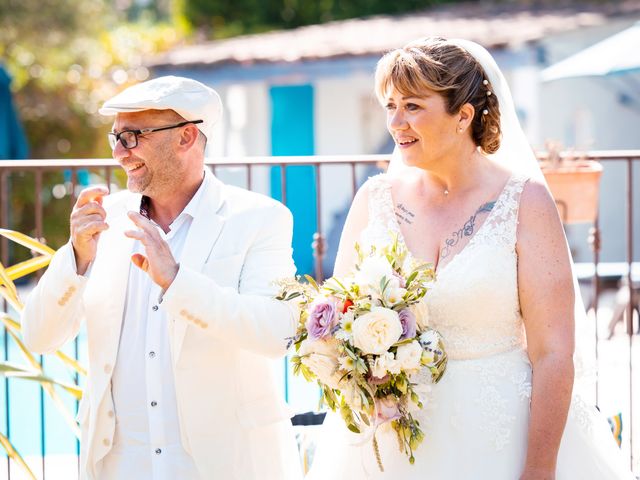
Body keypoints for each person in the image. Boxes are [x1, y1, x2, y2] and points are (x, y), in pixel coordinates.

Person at [306, 38, 634, 479]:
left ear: (463, 115)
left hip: (500, 441)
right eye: (391, 105)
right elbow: (337, 320)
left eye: (413, 107)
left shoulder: (525, 202)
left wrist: (539, 467)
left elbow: (554, 351)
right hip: (389, 446)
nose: (396, 122)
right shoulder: (374, 199)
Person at [22, 76, 302, 480]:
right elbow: (38, 337)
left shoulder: (259, 218)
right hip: (120, 466)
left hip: (224, 465)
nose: (120, 152)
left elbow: (275, 334)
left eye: (133, 136)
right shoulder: (105, 222)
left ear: (187, 137)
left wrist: (176, 280)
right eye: (115, 137)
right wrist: (77, 259)